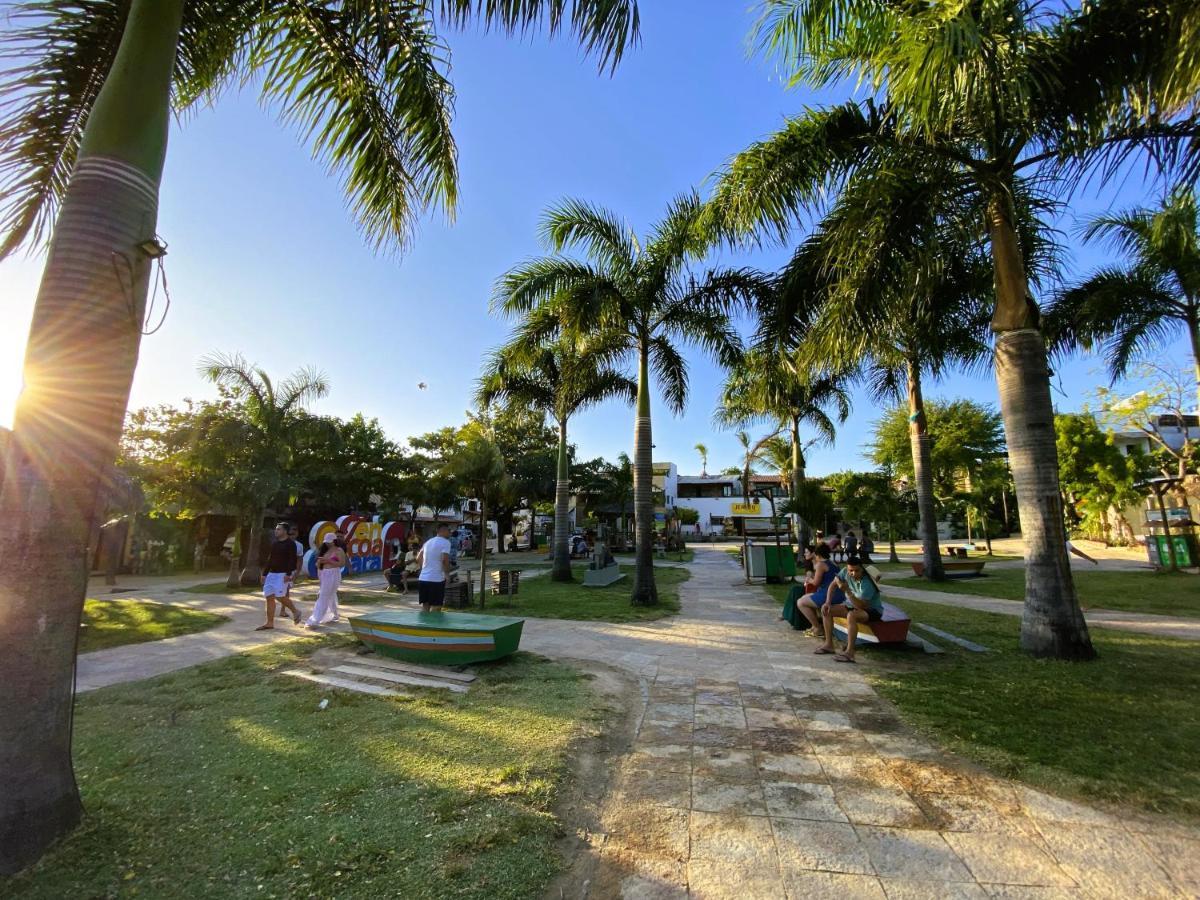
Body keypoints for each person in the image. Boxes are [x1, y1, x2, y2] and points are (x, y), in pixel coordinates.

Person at [815, 555, 883, 663]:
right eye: (851, 570)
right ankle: (829, 645)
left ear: (862, 569)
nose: (854, 573)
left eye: (857, 571)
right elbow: (833, 585)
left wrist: (847, 591)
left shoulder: (867, 583)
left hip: (872, 610)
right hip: (854, 606)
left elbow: (861, 606)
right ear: (847, 569)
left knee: (851, 615)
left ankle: (850, 653)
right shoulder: (844, 572)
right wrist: (827, 602)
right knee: (827, 610)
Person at [258, 523, 301, 630]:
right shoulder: (275, 544)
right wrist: (264, 574)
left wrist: (288, 573)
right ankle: (269, 623)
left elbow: (293, 560)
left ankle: (295, 611)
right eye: (276, 529)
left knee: (279, 596)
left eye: (278, 529)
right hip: (271, 574)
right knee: (269, 597)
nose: (276, 531)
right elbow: (270, 559)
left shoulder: (291, 544)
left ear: (285, 531)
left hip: (282, 574)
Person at [795, 544, 843, 638]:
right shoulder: (833, 563)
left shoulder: (821, 564)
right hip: (838, 594)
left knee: (800, 602)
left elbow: (816, 583)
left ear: (818, 554)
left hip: (828, 594)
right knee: (805, 597)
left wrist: (809, 580)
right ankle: (814, 625)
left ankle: (818, 628)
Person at [306, 534, 347, 627]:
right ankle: (334, 614)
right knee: (330, 595)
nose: (328, 544)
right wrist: (320, 562)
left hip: (333, 574)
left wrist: (328, 560)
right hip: (324, 573)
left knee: (323, 595)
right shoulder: (325, 550)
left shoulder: (339, 550)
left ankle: (315, 618)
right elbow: (317, 564)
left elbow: (341, 563)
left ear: (333, 541)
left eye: (329, 542)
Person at [415, 522, 453, 612]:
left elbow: (418, 557)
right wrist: (447, 574)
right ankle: (432, 626)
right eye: (449, 530)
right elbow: (445, 560)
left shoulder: (428, 542)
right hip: (436, 580)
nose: (450, 533)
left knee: (425, 605)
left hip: (423, 579)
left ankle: (423, 626)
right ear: (443, 531)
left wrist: (423, 569)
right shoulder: (446, 542)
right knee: (436, 607)